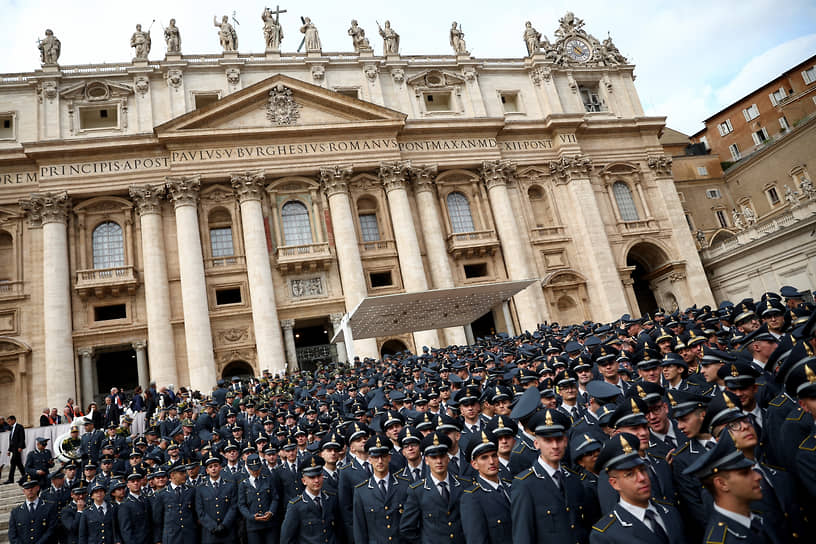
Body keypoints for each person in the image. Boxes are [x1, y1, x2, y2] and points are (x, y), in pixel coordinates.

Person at [510, 409, 596, 544]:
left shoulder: (573, 479)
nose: (555, 446)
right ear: (536, 443)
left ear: (566, 441)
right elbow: (523, 536)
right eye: (548, 440)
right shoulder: (524, 485)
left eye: (559, 439)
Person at [590, 433, 685, 543]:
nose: (641, 478)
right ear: (614, 483)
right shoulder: (606, 534)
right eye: (630, 474)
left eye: (643, 469)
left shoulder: (669, 512)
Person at [683, 431, 774, 543]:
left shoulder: (754, 519)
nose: (758, 476)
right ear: (722, 484)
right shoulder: (723, 539)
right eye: (745, 473)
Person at [400, 431, 468, 544]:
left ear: (448, 458)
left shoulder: (464, 485)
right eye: (433, 457)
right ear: (426, 460)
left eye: (442, 456)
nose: (439, 461)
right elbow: (407, 528)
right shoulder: (417, 491)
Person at [352, 434, 410, 543]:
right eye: (375, 457)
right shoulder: (361, 491)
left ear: (389, 457)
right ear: (369, 459)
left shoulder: (404, 485)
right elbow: (360, 530)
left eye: (383, 456)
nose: (379, 461)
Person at [460, 430, 513, 544]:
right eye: (484, 457)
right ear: (474, 464)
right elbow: (476, 540)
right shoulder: (472, 498)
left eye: (494, 456)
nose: (491, 462)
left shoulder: (511, 486)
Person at [280, 456, 341, 544]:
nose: (316, 480)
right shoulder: (296, 506)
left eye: (319, 476)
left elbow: (338, 530)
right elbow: (286, 539)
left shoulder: (331, 498)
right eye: (312, 477)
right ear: (304, 481)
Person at [195, 452, 238, 544]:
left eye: (215, 466)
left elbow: (233, 507)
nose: (213, 469)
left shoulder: (230, 485)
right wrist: (213, 526)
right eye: (210, 467)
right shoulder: (200, 488)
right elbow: (200, 511)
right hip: (210, 533)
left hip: (228, 531)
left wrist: (224, 525)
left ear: (220, 468)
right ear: (206, 470)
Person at [238, 453, 279, 544]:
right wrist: (251, 516)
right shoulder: (243, 484)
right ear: (248, 469)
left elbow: (275, 498)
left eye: (257, 469)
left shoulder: (268, 480)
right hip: (253, 526)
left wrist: (271, 512)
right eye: (253, 470)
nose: (255, 472)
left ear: (261, 467)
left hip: (269, 524)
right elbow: (241, 505)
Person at [8, 475, 57, 544]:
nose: (30, 490)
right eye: (27, 488)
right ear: (23, 491)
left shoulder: (49, 507)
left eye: (32, 487)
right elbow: (12, 535)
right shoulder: (16, 512)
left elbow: (51, 530)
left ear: (38, 488)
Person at [5, 415, 25, 484]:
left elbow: (22, 438)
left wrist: (20, 447)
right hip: (13, 449)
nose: (8, 423)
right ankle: (25, 476)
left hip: (17, 448)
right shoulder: (11, 429)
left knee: (13, 462)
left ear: (13, 420)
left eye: (9, 421)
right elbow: (11, 440)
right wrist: (9, 450)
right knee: (19, 464)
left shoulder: (19, 427)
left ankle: (10, 479)